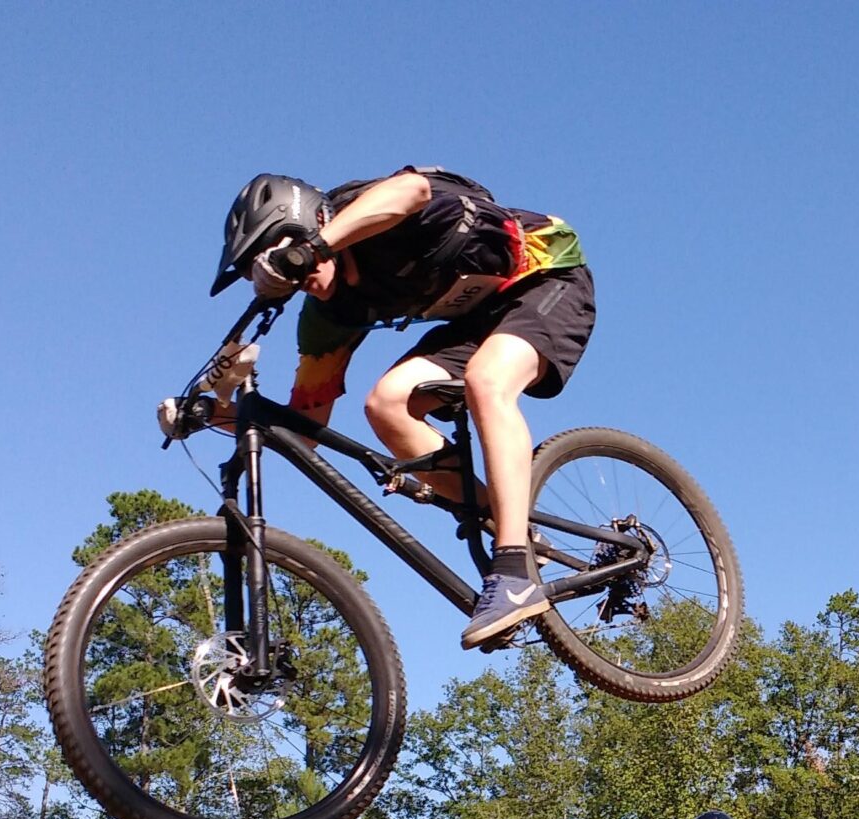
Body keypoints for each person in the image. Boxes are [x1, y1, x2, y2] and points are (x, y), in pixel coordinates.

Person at [212, 168, 595, 650]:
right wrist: (213, 413)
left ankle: (514, 568)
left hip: (548, 277)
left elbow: (412, 190)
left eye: (285, 253)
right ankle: (506, 522)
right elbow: (305, 429)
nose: (298, 278)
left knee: (487, 381)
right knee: (386, 403)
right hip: (478, 320)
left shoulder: (373, 216)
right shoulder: (329, 315)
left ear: (311, 223)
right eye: (275, 274)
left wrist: (314, 248)